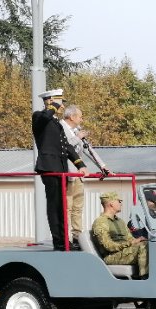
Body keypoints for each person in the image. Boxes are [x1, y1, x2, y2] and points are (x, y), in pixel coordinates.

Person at [32, 88, 86, 250]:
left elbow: (67, 147)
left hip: (60, 168)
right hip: (49, 167)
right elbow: (44, 116)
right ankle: (60, 242)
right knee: (55, 206)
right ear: (51, 101)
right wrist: (53, 105)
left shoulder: (56, 123)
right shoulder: (40, 117)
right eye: (60, 102)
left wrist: (80, 165)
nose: (62, 107)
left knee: (61, 206)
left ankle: (64, 241)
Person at [60, 104, 110, 249]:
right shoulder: (60, 128)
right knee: (67, 208)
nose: (82, 119)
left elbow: (89, 150)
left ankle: (76, 237)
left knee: (77, 208)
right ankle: (65, 238)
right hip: (68, 174)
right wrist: (77, 138)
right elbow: (64, 147)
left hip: (79, 175)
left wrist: (103, 166)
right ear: (72, 117)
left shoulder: (76, 130)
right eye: (80, 116)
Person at [91, 192, 148, 278]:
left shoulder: (120, 221)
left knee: (150, 245)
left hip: (124, 251)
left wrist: (138, 240)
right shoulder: (100, 222)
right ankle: (144, 278)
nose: (121, 204)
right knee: (144, 247)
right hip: (111, 256)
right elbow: (108, 246)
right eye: (119, 201)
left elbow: (130, 238)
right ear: (111, 203)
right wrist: (130, 243)